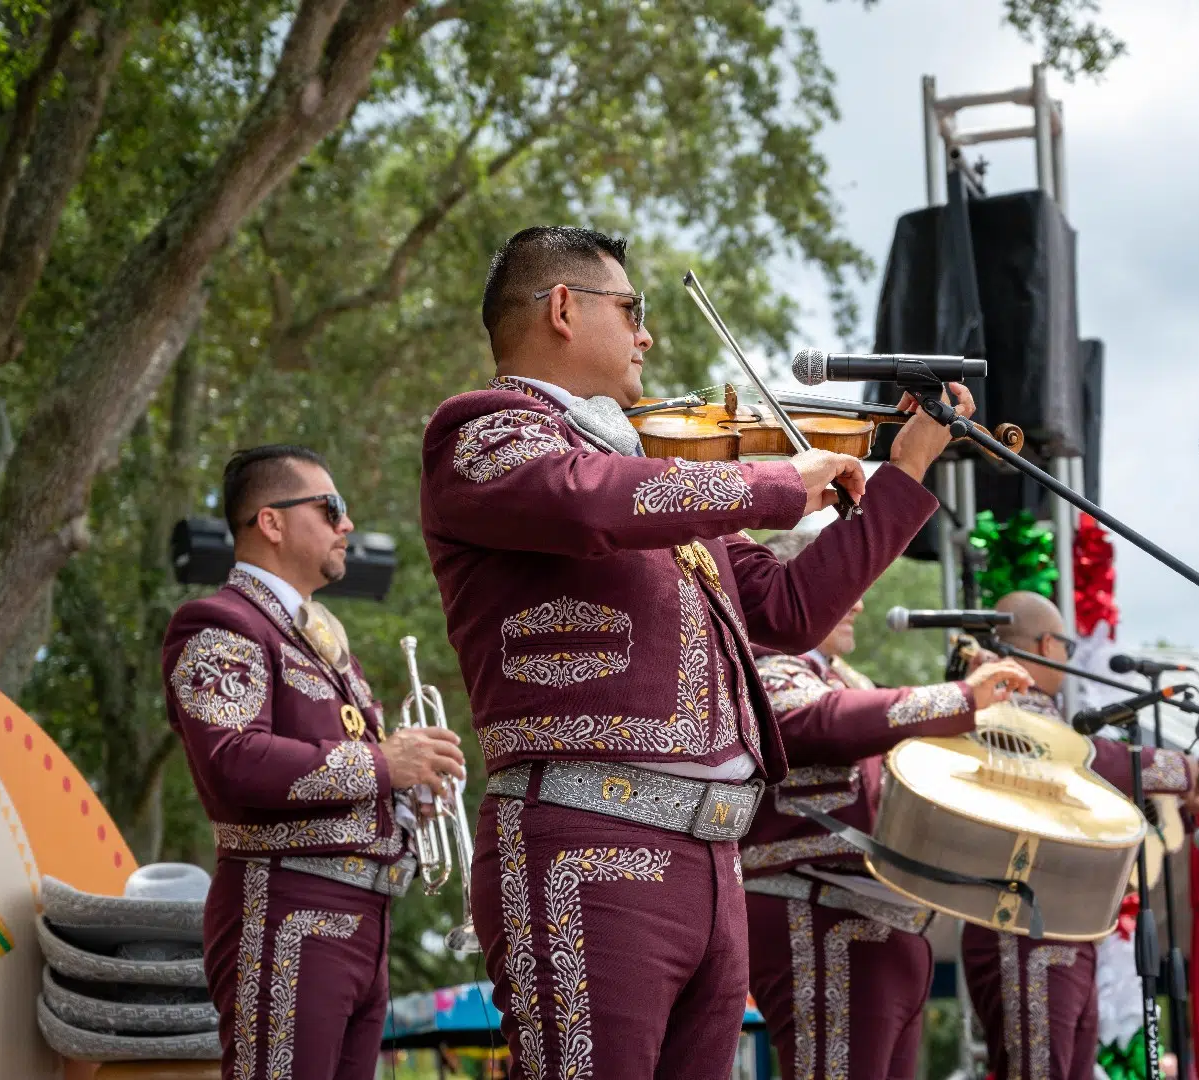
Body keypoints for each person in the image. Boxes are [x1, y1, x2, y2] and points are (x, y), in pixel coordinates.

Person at [418, 225, 978, 1079]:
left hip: (714, 862)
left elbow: (788, 606)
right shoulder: (487, 431)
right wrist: (779, 483)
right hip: (585, 840)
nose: (647, 335)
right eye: (632, 310)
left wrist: (902, 473)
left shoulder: (659, 477)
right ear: (563, 308)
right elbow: (586, 504)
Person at [163, 445, 465, 1079]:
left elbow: (352, 768)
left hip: (365, 919)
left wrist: (408, 800)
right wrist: (385, 765)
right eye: (332, 508)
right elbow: (232, 760)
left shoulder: (323, 643)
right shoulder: (220, 624)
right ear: (270, 522)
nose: (346, 524)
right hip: (284, 910)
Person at [740, 529, 1037, 1080]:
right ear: (790, 589)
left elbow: (866, 722)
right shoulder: (765, 663)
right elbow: (822, 723)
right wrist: (959, 698)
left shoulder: (840, 676)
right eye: (839, 582)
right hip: (819, 914)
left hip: (873, 922)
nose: (858, 599)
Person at [958, 590, 1199, 1080]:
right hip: (1022, 924)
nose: (1069, 655)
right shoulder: (1005, 700)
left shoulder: (1039, 710)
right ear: (1045, 645)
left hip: (1058, 924)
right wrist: (1184, 770)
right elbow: (1085, 757)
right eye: (1067, 644)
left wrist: (1177, 801)